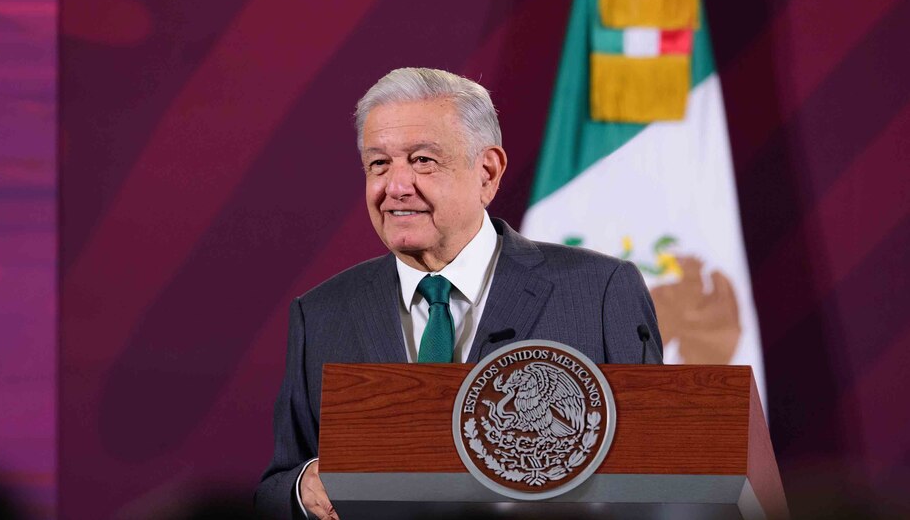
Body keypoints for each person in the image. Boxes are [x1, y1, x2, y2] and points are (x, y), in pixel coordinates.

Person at [255, 68, 663, 519]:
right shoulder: (321, 314)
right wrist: (303, 488)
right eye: (378, 164)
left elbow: (660, 474)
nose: (395, 186)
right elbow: (277, 487)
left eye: (422, 160)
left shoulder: (599, 292)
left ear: (487, 172)